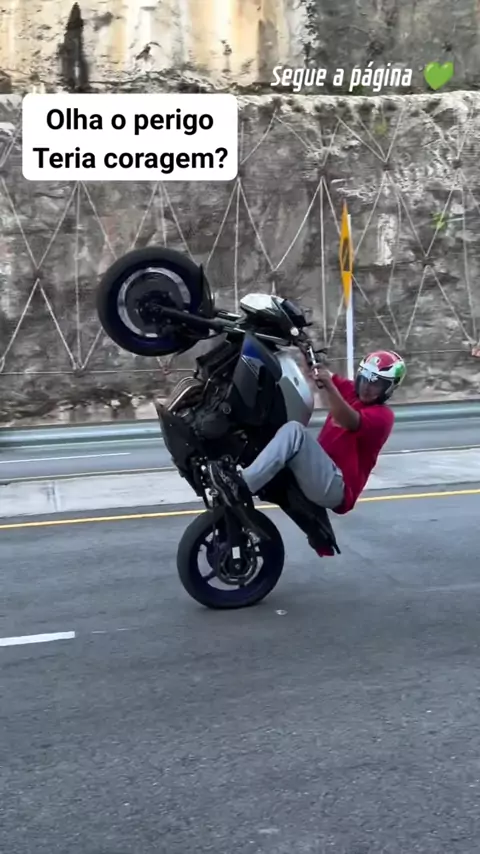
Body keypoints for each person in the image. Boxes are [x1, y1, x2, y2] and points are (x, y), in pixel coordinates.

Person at [208, 350, 407, 519]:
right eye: (365, 378)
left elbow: (347, 420)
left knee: (295, 432)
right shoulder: (351, 391)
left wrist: (329, 386)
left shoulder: (383, 416)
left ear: (389, 389)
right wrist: (306, 352)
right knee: (272, 431)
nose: (367, 387)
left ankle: (241, 486)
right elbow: (319, 373)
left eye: (376, 384)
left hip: (338, 488)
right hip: (321, 473)